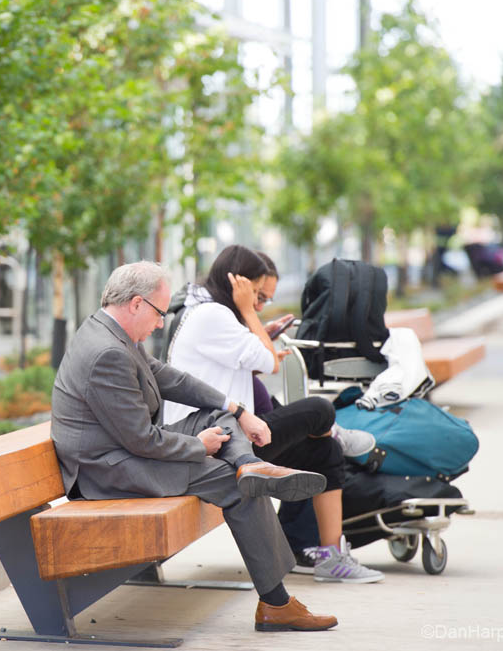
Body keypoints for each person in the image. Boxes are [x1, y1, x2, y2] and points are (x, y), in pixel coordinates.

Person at [52, 261, 338, 632]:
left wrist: (235, 408)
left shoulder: (113, 333)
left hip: (123, 453)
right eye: (159, 313)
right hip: (106, 471)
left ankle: (250, 465)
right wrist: (197, 446)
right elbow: (141, 439)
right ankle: (276, 604)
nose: (160, 323)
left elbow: (171, 378)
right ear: (136, 304)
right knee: (235, 486)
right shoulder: (108, 352)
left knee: (219, 419)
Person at [163, 246, 383, 584]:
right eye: (258, 296)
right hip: (217, 447)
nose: (260, 305)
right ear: (238, 286)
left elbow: (254, 364)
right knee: (319, 410)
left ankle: (330, 557)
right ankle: (331, 428)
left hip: (232, 439)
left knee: (324, 451)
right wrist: (250, 317)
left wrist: (257, 326)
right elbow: (270, 362)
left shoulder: (213, 314)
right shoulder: (212, 315)